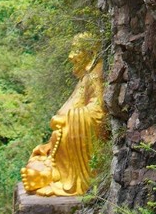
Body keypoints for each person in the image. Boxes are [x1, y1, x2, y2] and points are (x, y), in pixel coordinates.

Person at [21, 33, 106, 196]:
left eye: (76, 50)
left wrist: (67, 119)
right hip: (59, 144)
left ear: (91, 53)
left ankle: (54, 176)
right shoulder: (84, 79)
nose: (70, 56)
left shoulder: (95, 76)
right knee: (36, 161)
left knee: (41, 163)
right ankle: (47, 174)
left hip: (72, 140)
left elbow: (98, 112)